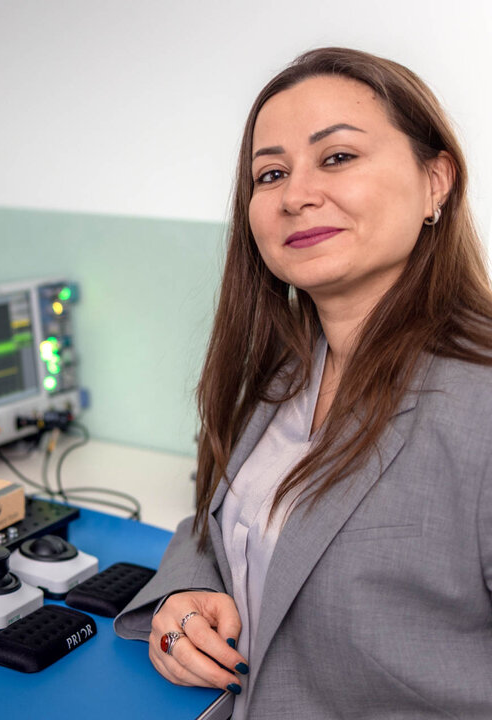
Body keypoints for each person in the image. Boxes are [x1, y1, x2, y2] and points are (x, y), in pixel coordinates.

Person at [114, 47, 492, 719]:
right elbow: (215, 529)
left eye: (338, 157)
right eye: (271, 173)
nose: (296, 195)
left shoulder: (480, 406)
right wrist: (181, 600)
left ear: (436, 181)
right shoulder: (283, 374)